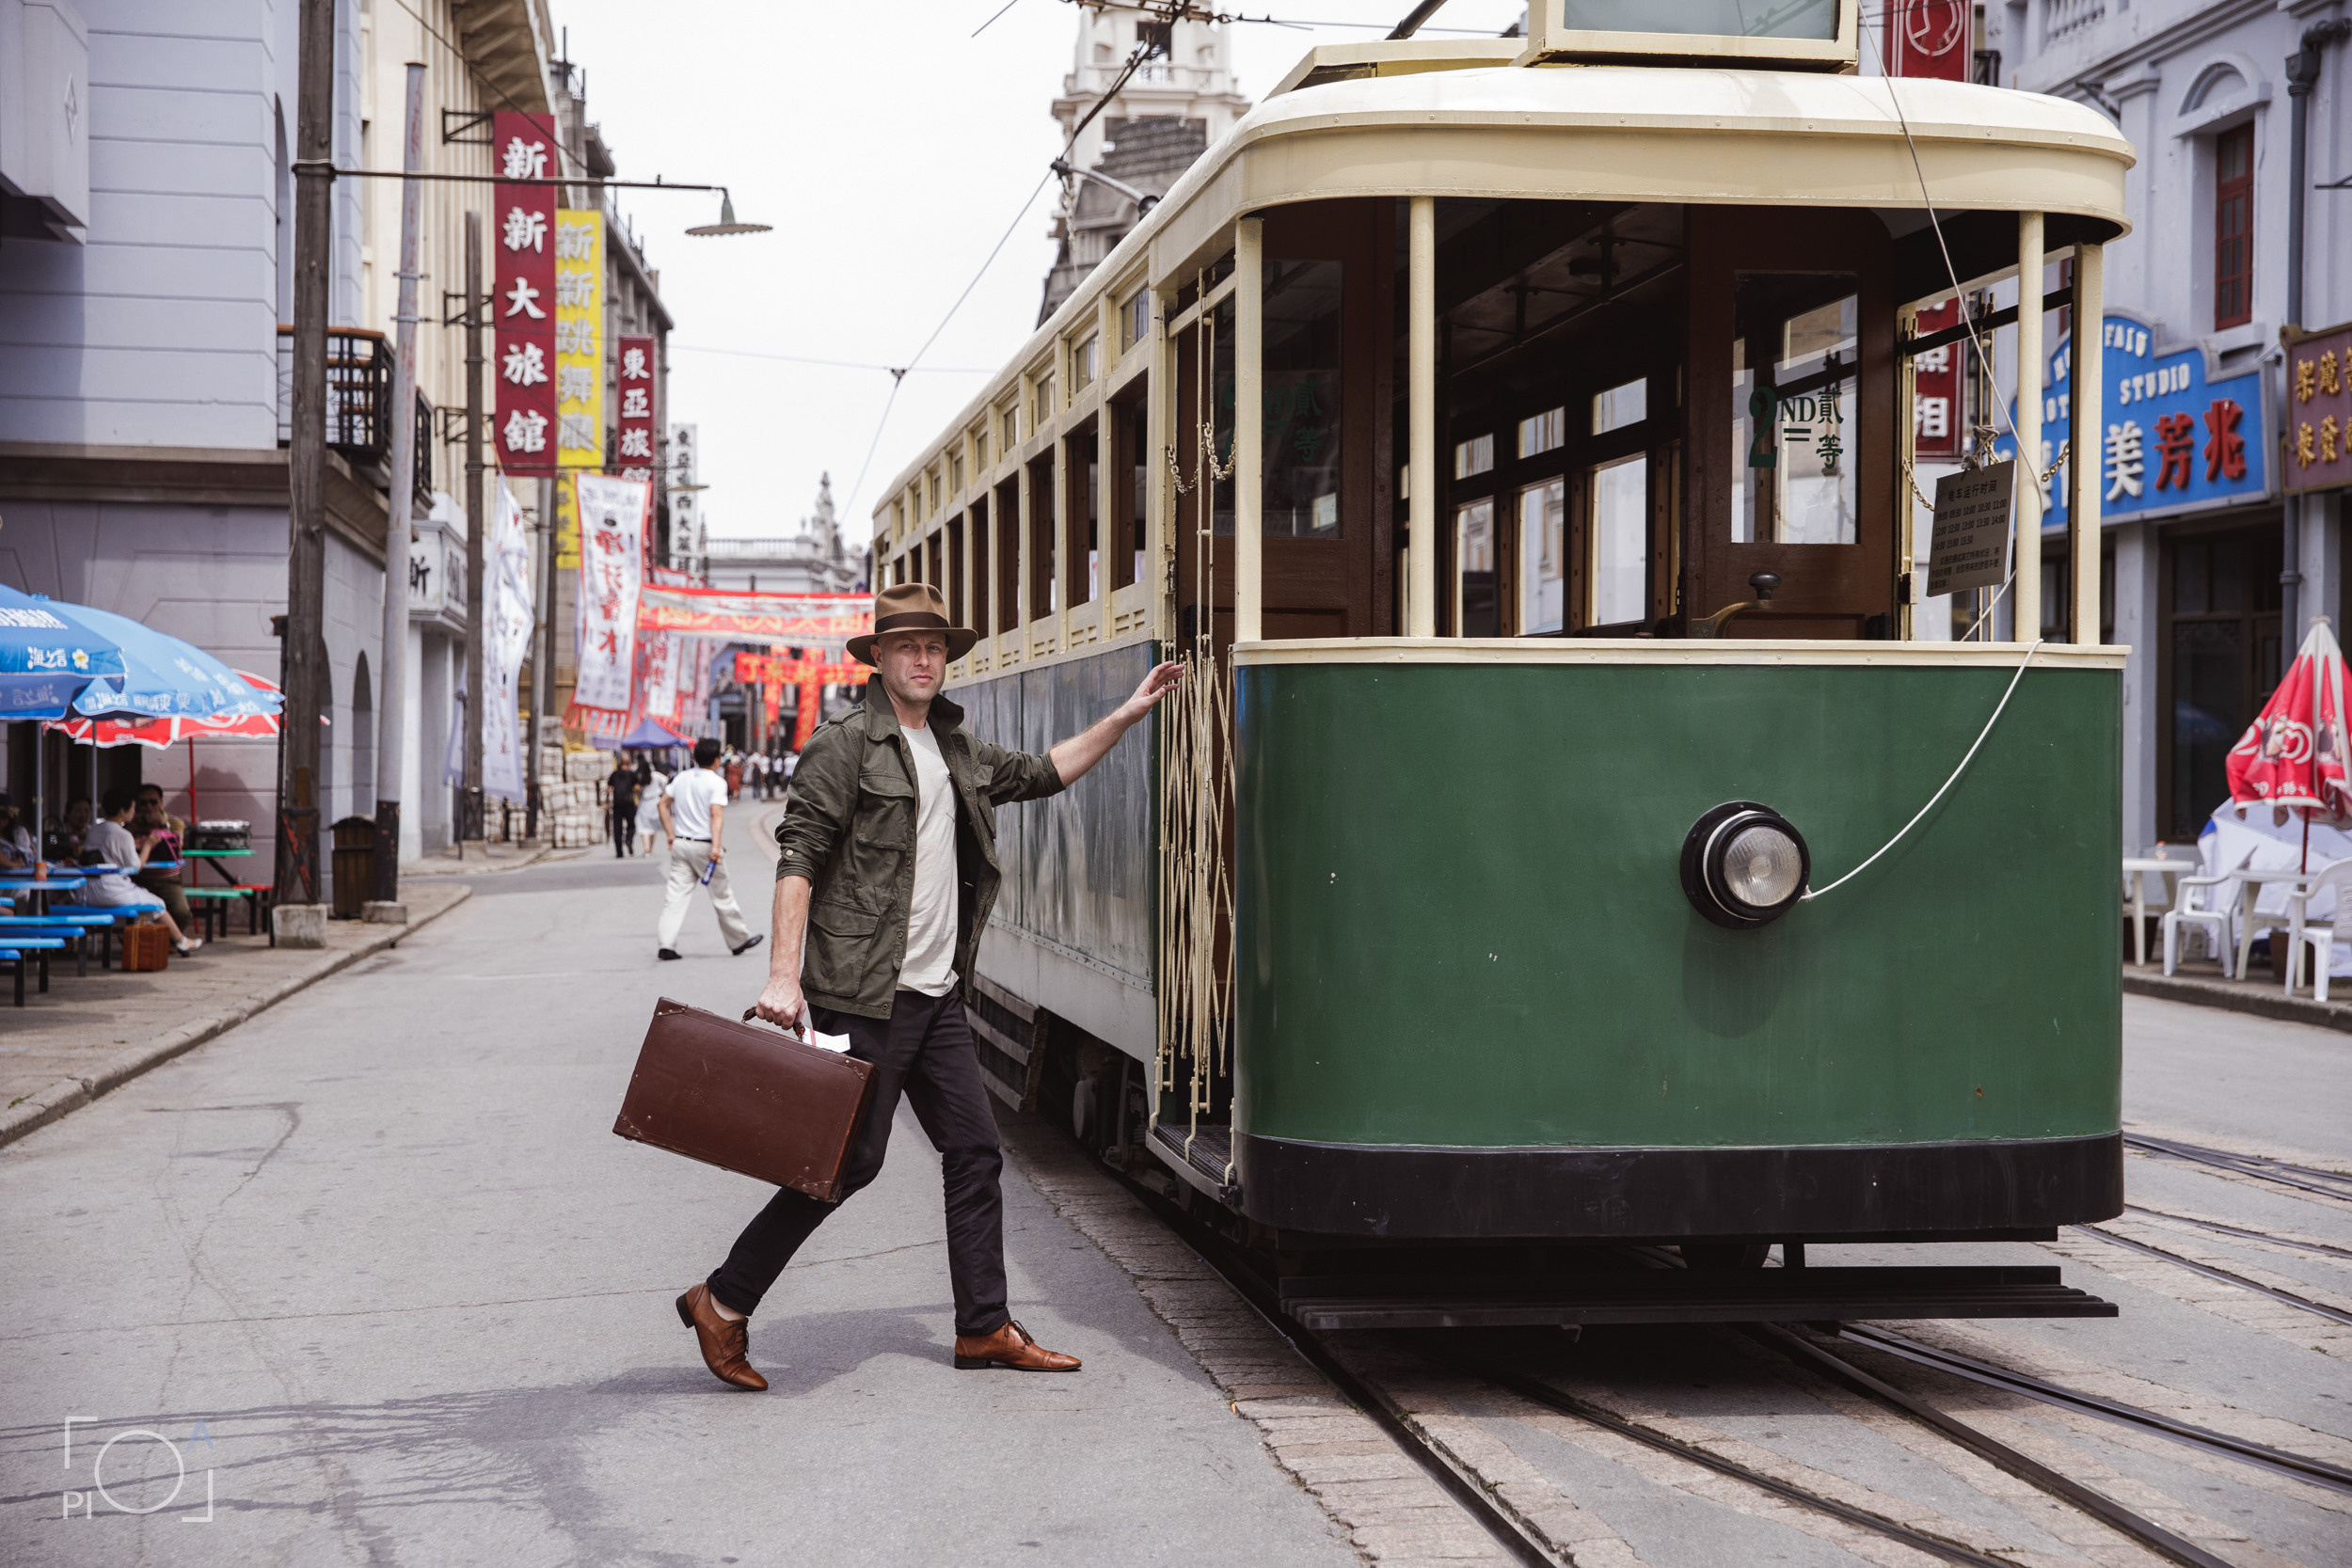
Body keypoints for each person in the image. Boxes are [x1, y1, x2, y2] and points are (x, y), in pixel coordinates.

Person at [675, 582, 1182, 1390]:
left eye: (936, 646)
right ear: (878, 657)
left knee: (975, 1150)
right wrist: (781, 974)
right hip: (863, 992)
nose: (922, 657)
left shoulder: (957, 748)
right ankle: (724, 1300)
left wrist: (1126, 715)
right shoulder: (844, 745)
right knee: (848, 1162)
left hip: (936, 994)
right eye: (907, 645)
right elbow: (798, 857)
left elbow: (1047, 772)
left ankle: (983, 1326)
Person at [655, 736, 763, 961]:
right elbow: (716, 814)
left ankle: (666, 944)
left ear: (694, 757)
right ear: (716, 760)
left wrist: (670, 835)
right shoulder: (716, 782)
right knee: (722, 894)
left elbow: (662, 804)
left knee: (675, 897)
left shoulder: (681, 778)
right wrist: (716, 846)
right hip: (705, 846)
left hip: (681, 843)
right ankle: (738, 940)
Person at [73, 787, 199, 955]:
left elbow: (109, 850)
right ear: (122, 811)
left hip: (88, 890)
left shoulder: (96, 829)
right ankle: (180, 941)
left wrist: (144, 839)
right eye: (135, 807)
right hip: (112, 890)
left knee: (152, 908)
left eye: (152, 802)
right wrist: (147, 845)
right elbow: (134, 867)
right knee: (157, 904)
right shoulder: (123, 832)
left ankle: (163, 942)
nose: (137, 811)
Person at [130, 799, 196, 936]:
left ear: (160, 802)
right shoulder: (131, 822)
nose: (148, 807)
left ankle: (172, 941)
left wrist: (163, 826)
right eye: (143, 803)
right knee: (139, 912)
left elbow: (177, 847)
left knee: (181, 912)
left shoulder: (174, 822)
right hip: (140, 879)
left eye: (153, 802)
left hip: (168, 879)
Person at [605, 757, 641, 859]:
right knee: (631, 826)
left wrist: (606, 802)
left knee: (617, 829)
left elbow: (608, 789)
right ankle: (629, 839)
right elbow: (637, 788)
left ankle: (619, 852)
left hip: (617, 804)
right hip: (629, 803)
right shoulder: (631, 774)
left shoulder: (614, 774)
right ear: (629, 764)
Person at [636, 760, 668, 856]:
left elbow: (637, 789)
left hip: (644, 803)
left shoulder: (640, 777)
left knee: (644, 826)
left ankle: (646, 848)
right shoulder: (656, 775)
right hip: (655, 802)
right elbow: (666, 780)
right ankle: (650, 848)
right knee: (653, 827)